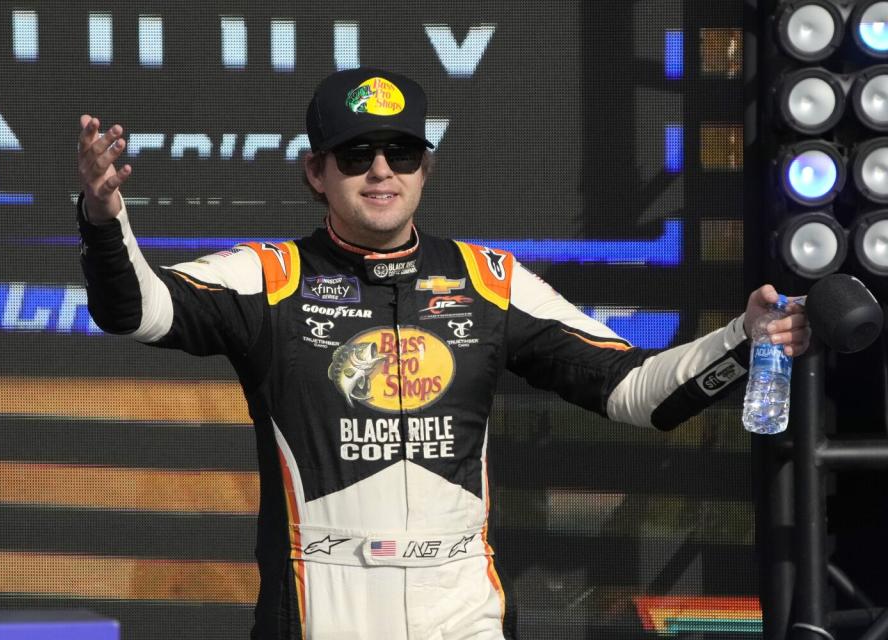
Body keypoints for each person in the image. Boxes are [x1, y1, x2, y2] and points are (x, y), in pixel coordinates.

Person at [76, 67, 809, 640]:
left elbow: (635, 392)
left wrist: (742, 341)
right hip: (320, 603)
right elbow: (136, 309)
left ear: (427, 167)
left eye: (402, 150)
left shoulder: (488, 282)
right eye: (357, 152)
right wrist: (106, 221)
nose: (381, 169)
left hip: (458, 606)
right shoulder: (268, 277)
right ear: (315, 172)